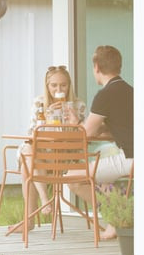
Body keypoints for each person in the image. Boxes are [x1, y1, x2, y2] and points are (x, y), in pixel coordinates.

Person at [72, 45, 134, 240]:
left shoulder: (105, 95)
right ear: (119, 66)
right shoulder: (130, 91)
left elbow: (86, 133)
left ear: (96, 67)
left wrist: (75, 123)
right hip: (141, 156)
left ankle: (117, 220)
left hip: (130, 158)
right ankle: (123, 215)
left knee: (73, 178)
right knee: (104, 178)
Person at [8, 65, 77, 233]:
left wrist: (72, 121)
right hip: (39, 154)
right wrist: (46, 118)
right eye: (54, 85)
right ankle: (46, 199)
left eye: (63, 85)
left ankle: (29, 220)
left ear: (69, 85)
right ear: (47, 86)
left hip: (63, 156)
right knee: (29, 154)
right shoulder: (39, 103)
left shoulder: (77, 105)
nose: (58, 89)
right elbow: (32, 133)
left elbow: (82, 136)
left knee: (27, 167)